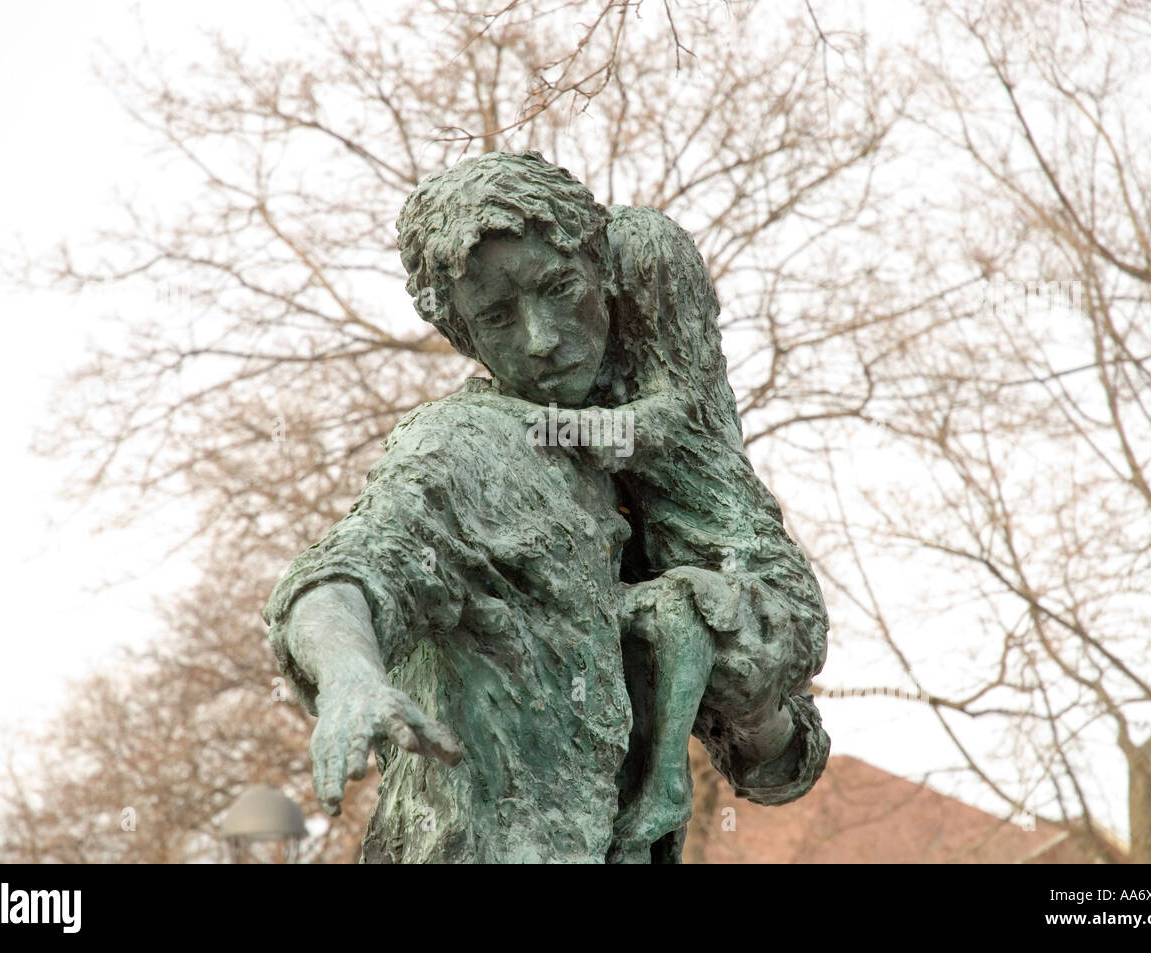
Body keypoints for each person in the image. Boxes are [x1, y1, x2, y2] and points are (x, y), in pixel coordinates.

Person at [263, 151, 827, 863]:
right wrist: (349, 674)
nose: (543, 339)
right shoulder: (466, 448)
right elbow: (344, 574)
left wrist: (742, 682)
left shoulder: (651, 466)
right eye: (498, 316)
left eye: (559, 288)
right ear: (465, 337)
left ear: (603, 270)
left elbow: (781, 766)